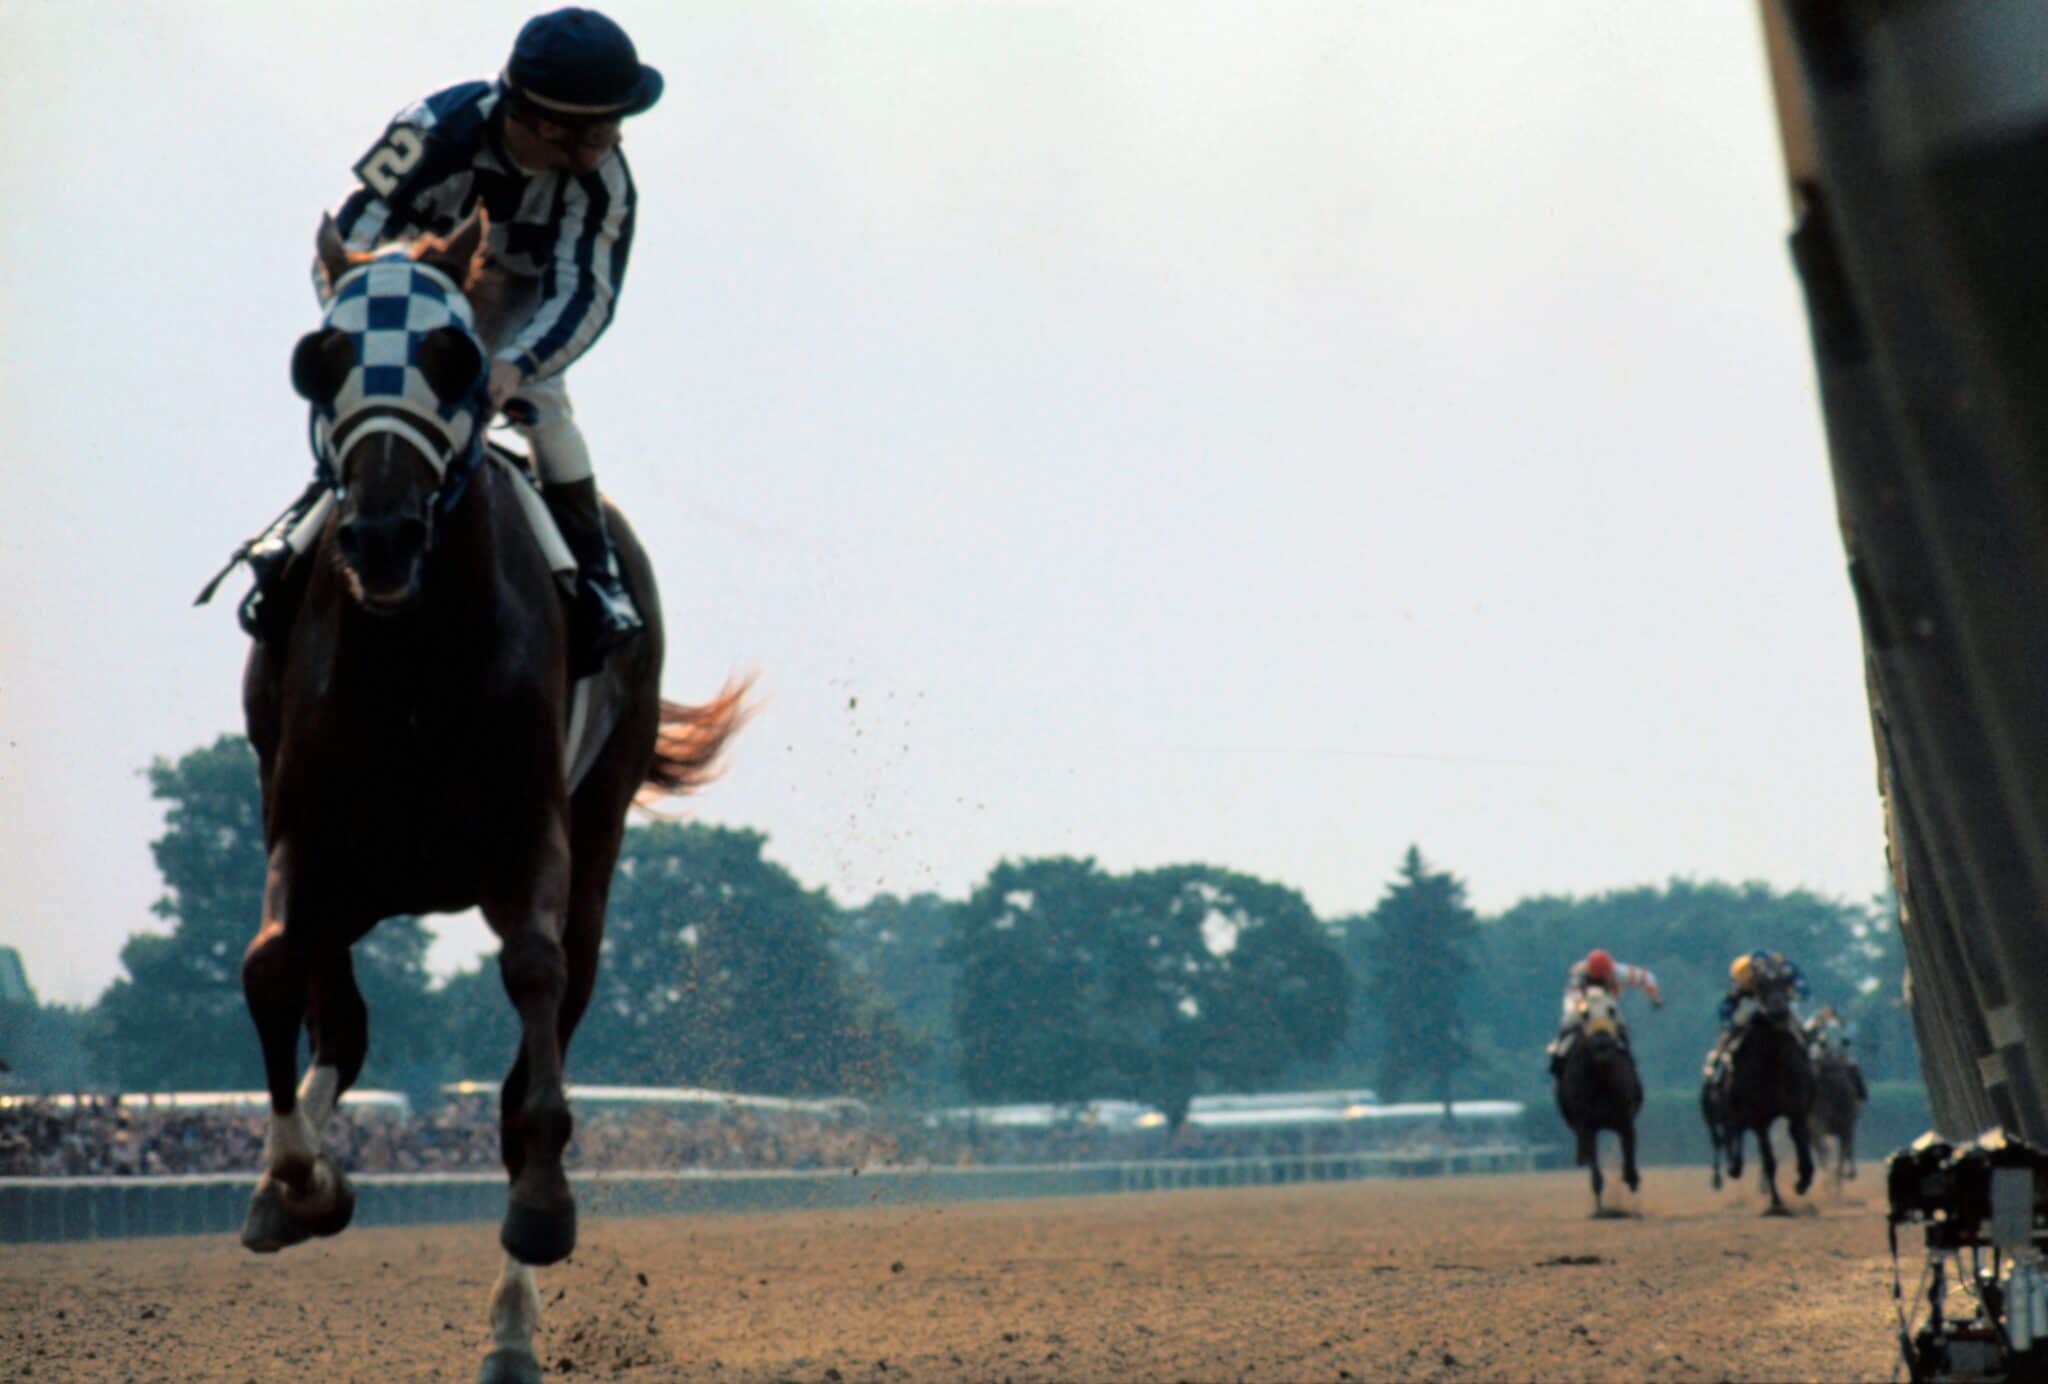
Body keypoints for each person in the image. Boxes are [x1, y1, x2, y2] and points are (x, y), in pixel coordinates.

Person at [233, 8, 659, 669]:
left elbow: (586, 295)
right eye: (605, 127)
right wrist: (385, 336)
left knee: (546, 414)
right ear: (550, 125)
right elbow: (353, 235)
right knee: (373, 414)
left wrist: (516, 367)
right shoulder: (429, 130)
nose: (616, 141)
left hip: (518, 309)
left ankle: (598, 582)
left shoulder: (604, 184)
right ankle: (289, 549)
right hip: (395, 297)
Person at [1547, 948, 1662, 1075]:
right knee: (1568, 1022)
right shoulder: (1578, 973)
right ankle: (1557, 1054)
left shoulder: (1620, 972)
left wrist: (1655, 999)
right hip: (1583, 1002)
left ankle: (1628, 1057)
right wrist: (1579, 1011)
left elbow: (1648, 978)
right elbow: (1572, 998)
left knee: (1621, 1026)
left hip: (1607, 1003)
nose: (1603, 978)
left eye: (1604, 976)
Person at [1704, 949, 1810, 1080]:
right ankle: (1716, 1065)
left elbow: (1802, 987)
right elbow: (1727, 1004)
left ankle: (1811, 1065)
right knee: (1728, 1034)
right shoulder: (1743, 974)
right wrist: (1728, 1024)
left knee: (1802, 1033)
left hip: (1783, 1010)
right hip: (1753, 1007)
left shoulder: (1784, 969)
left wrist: (1796, 994)